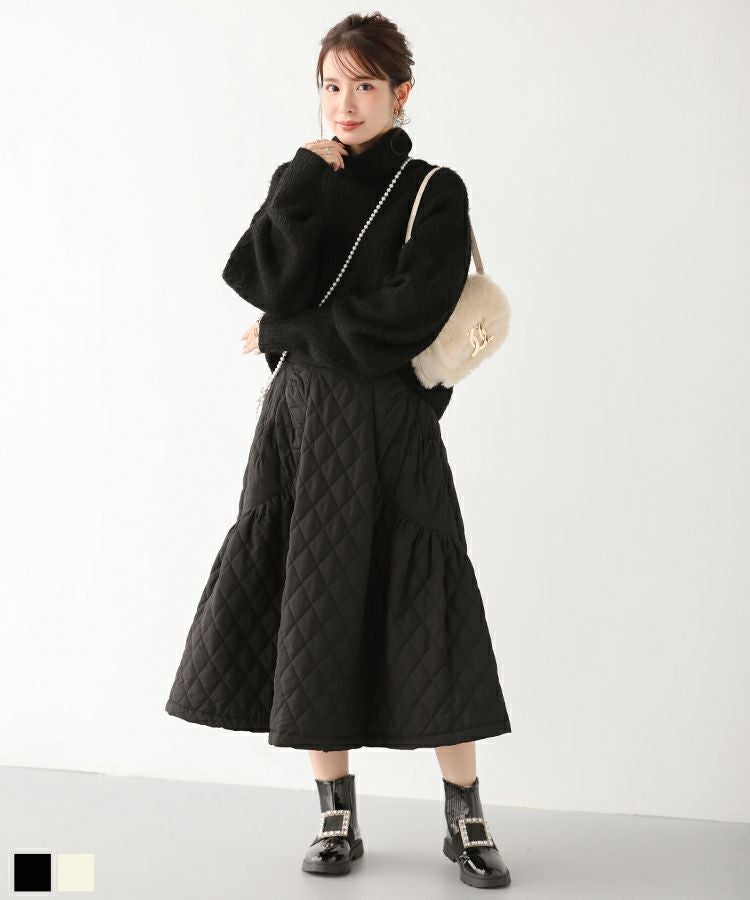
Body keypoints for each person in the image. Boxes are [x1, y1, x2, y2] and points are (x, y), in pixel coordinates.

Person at [164, 11, 512, 889]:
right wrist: (295, 183)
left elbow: (407, 315)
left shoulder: (435, 190)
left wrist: (290, 331)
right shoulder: (309, 178)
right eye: (330, 85)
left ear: (401, 93)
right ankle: (335, 817)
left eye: (364, 85)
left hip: (392, 427)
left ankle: (465, 819)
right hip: (301, 423)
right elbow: (259, 279)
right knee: (310, 604)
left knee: (427, 605)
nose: (345, 103)